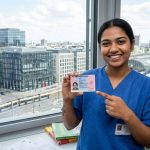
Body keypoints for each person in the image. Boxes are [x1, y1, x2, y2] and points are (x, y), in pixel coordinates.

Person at [62, 18, 150, 150]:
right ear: (100, 47)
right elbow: (69, 125)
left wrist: (128, 115)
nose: (113, 49)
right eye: (106, 43)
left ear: (131, 45)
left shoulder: (146, 86)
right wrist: (67, 101)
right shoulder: (87, 79)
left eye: (120, 42)